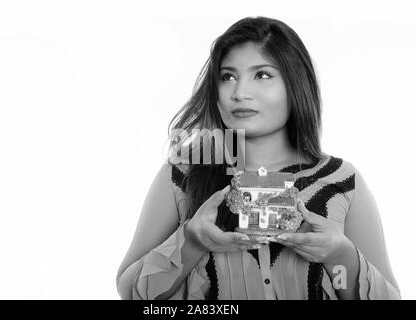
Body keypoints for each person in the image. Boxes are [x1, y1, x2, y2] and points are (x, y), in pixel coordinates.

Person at [116, 16, 400, 300]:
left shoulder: (342, 180)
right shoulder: (182, 174)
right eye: (228, 77)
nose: (240, 93)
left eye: (262, 75)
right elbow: (130, 293)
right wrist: (190, 242)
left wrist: (341, 255)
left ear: (295, 83)